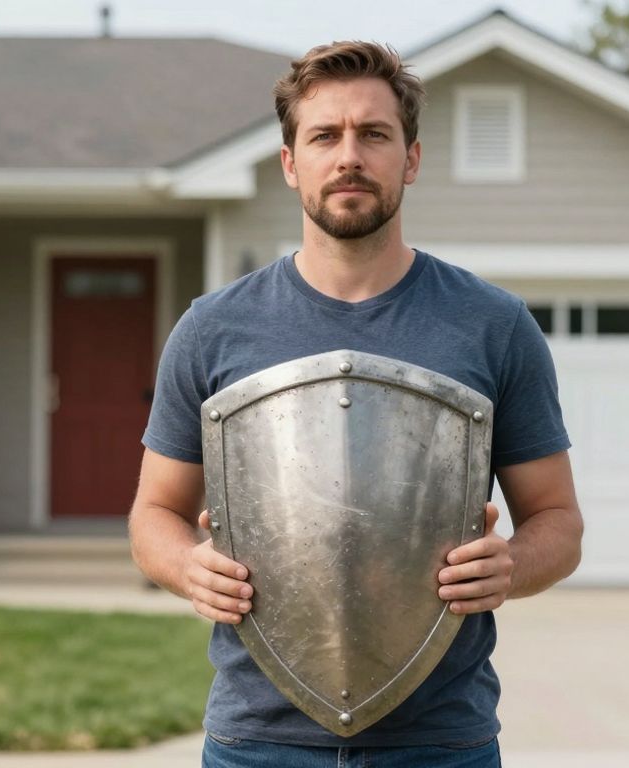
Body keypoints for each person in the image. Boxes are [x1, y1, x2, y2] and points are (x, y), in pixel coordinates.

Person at [128, 41, 584, 768]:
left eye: (374, 134)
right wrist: (189, 568)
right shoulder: (211, 329)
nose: (349, 156)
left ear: (411, 158)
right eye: (324, 136)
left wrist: (512, 564)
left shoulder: (493, 326)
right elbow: (154, 513)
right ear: (289, 163)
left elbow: (559, 521)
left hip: (441, 741)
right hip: (258, 741)